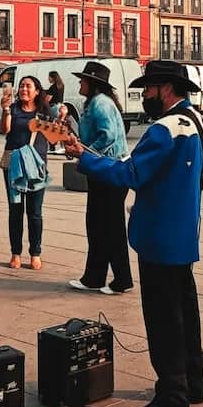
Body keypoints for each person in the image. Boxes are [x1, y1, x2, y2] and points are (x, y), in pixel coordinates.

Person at [63, 60, 203, 407]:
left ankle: (172, 396)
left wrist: (84, 158)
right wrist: (181, 188)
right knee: (185, 311)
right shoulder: (196, 120)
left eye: (148, 88)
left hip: (157, 234)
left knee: (163, 318)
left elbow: (129, 173)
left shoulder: (163, 129)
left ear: (166, 89)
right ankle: (193, 381)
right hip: (185, 233)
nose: (145, 94)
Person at [67, 61, 131, 295]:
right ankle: (95, 277)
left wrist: (87, 154)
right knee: (99, 226)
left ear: (92, 83)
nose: (79, 83)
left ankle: (121, 279)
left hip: (108, 171)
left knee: (109, 228)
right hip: (105, 170)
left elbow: (108, 136)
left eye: (82, 80)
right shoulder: (98, 102)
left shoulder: (100, 103)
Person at [1, 75, 50, 270]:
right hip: (13, 165)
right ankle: (16, 253)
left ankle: (35, 253)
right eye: (21, 86)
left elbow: (54, 136)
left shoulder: (44, 112)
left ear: (37, 91)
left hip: (37, 166)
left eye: (28, 86)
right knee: (15, 210)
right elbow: (5, 130)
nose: (24, 89)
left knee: (35, 212)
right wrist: (5, 110)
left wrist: (62, 119)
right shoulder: (13, 109)